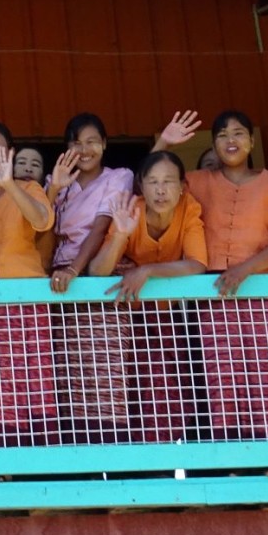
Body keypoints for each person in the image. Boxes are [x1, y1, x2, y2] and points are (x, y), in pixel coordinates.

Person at [157, 110, 268, 438]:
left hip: (263, 290)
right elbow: (153, 181)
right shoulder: (197, 181)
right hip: (215, 293)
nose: (230, 140)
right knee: (223, 374)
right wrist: (165, 141)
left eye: (238, 133)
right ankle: (235, 456)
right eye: (222, 135)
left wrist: (244, 269)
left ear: (251, 142)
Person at [89, 150, 207, 439]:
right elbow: (97, 271)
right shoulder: (132, 209)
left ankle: (166, 462)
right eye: (153, 182)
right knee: (128, 387)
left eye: (168, 181)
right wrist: (119, 235)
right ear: (141, 185)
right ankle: (131, 467)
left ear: (183, 186)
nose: (161, 189)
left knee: (169, 387)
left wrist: (148, 270)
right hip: (128, 319)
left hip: (171, 318)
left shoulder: (189, 208)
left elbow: (197, 263)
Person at [0, 122, 56, 447]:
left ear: (10, 153)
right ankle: (4, 462)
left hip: (27, 295)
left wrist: (10, 185)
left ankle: (43, 463)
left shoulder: (29, 188)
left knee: (36, 375)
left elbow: (43, 220)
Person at [48, 113, 136, 440]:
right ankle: (77, 455)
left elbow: (101, 227)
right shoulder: (55, 181)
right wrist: (55, 185)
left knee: (106, 372)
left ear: (105, 145)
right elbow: (41, 228)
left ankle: (110, 454)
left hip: (99, 275)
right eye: (76, 142)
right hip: (60, 284)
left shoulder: (119, 177)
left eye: (91, 141)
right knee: (69, 374)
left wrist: (75, 270)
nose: (84, 149)